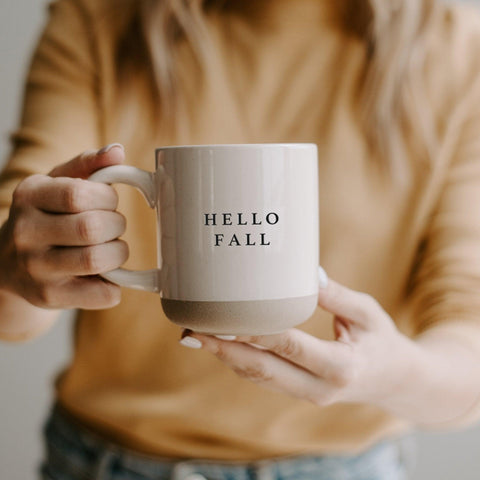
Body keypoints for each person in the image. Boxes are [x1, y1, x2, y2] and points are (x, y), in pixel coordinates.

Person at [1, 0, 480, 478]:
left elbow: (469, 333)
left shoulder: (458, 49)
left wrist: (391, 376)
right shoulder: (98, 20)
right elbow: (11, 307)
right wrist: (21, 267)